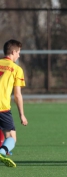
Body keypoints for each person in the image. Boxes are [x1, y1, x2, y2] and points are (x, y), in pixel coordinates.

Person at [0, 39, 28, 167]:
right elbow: (17, 95)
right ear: (13, 52)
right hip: (3, 107)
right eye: (18, 52)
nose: (19, 55)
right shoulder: (16, 69)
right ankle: (2, 152)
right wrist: (22, 114)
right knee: (11, 138)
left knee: (7, 135)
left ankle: (4, 151)